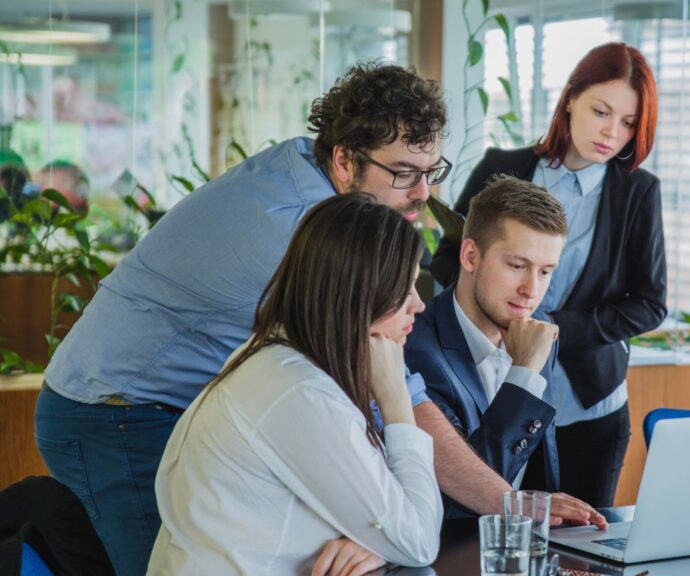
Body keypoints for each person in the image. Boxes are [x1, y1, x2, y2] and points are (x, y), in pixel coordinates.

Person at [35, 62, 564, 576]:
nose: (423, 194)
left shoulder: (310, 176)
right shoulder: (306, 238)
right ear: (343, 160)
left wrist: (380, 534)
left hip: (184, 404)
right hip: (115, 410)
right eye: (403, 173)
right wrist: (510, 504)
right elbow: (395, 395)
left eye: (431, 173)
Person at [147, 194, 441, 574]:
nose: (418, 305)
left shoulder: (283, 359)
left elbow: (399, 524)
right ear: (358, 296)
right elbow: (418, 541)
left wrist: (380, 543)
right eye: (405, 289)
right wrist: (397, 401)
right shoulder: (298, 391)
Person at [431, 43, 667, 507]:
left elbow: (650, 303)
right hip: (495, 394)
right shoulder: (504, 167)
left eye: (628, 123)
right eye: (601, 111)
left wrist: (552, 330)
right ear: (571, 98)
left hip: (588, 405)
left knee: (580, 545)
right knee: (492, 528)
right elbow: (448, 258)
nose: (611, 133)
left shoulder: (638, 192)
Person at [407, 176, 605, 526]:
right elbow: (467, 495)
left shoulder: (537, 328)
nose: (531, 290)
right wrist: (524, 373)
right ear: (470, 256)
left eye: (545, 272)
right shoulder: (417, 350)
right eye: (517, 266)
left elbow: (534, 472)